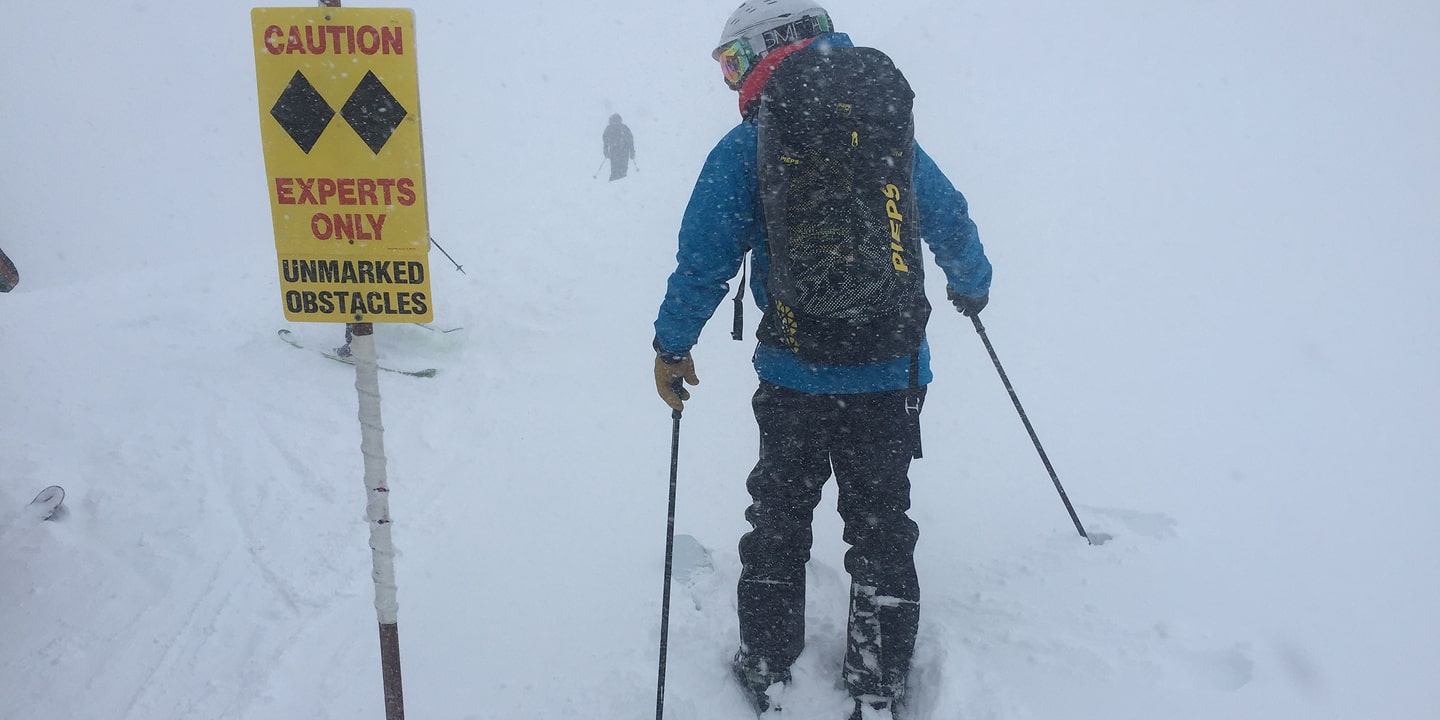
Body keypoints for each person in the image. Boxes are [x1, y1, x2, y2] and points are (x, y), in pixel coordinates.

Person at [650, 2, 992, 719]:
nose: (731, 82)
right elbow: (948, 216)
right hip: (891, 370)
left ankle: (770, 666)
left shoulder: (748, 147)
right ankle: (878, 683)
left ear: (766, 49)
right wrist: (971, 284)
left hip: (795, 375)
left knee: (778, 518)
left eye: (732, 64)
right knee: (881, 526)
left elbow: (703, 262)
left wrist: (673, 345)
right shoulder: (889, 133)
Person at [602, 114, 635, 181]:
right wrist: (632, 151)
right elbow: (630, 139)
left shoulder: (610, 128)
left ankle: (616, 183)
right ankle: (619, 183)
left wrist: (606, 150)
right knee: (621, 169)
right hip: (623, 151)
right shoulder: (624, 128)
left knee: (617, 169)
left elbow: (605, 140)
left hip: (617, 151)